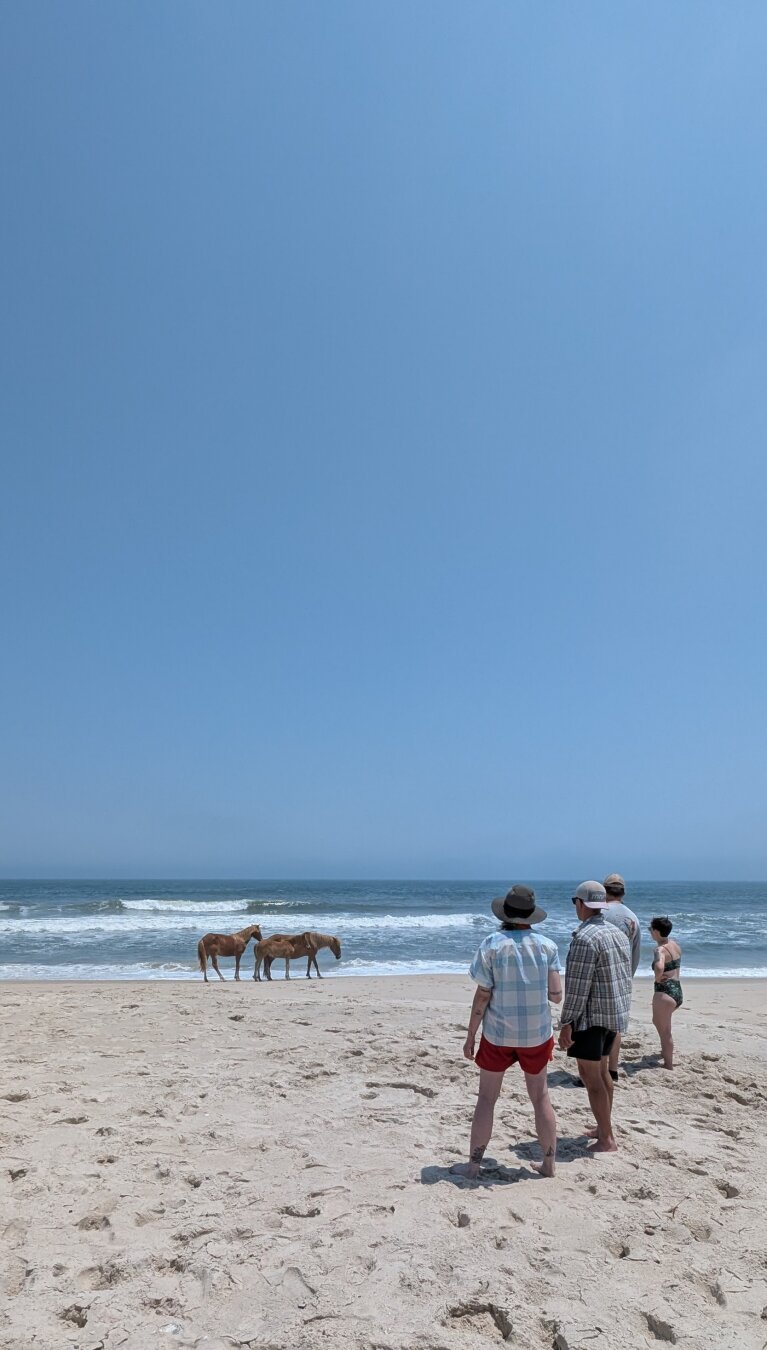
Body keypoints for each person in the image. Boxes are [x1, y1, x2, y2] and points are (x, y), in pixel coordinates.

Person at [454, 885, 562, 1179]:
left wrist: (470, 1035)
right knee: (540, 1098)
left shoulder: (492, 944)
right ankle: (549, 1165)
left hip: (498, 1035)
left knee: (487, 1099)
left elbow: (482, 997)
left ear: (505, 914)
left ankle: (474, 1166)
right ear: (531, 915)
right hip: (536, 1035)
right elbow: (556, 995)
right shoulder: (547, 946)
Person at [558, 881, 632, 1153]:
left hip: (590, 1019)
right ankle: (604, 1128)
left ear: (580, 903)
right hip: (613, 1014)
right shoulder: (617, 934)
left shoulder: (584, 938)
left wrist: (566, 1023)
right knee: (603, 1074)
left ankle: (606, 1139)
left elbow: (577, 988)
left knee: (592, 1079)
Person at [601, 873, 641, 1082]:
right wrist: (628, 977)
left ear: (603, 891)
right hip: (622, 978)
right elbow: (635, 954)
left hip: (601, 977)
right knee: (616, 1027)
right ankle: (613, 1070)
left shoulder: (600, 913)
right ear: (623, 892)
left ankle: (595, 1072)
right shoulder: (632, 917)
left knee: (596, 1027)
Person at [650, 916, 683, 1069]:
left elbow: (659, 966)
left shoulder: (660, 949)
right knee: (658, 1022)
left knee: (665, 1031)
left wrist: (657, 978)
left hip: (665, 992)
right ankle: (665, 1052)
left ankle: (668, 1064)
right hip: (677, 990)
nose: (650, 932)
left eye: (651, 929)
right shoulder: (674, 944)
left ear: (656, 932)